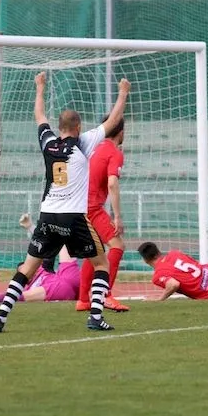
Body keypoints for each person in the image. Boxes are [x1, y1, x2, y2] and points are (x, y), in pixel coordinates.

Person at [0, 71, 131, 333]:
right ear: (77, 127)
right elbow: (112, 122)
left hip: (47, 216)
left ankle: (0, 317)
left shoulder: (48, 142)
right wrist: (123, 93)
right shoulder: (84, 143)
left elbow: (39, 116)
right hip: (73, 217)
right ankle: (95, 316)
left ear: (60, 126)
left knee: (28, 268)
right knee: (102, 263)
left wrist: (40, 88)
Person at [0, 214, 81, 304]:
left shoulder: (42, 270)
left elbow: (44, 243)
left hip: (67, 278)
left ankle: (66, 215)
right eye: (20, 271)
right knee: (15, 296)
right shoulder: (26, 288)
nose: (22, 269)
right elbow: (8, 296)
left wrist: (30, 226)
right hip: (58, 289)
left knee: (62, 242)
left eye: (23, 267)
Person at [75, 114, 129, 313]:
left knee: (94, 251)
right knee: (118, 245)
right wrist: (117, 216)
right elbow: (112, 183)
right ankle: (106, 295)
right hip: (92, 208)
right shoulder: (114, 152)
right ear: (121, 132)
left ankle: (82, 300)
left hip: (78, 205)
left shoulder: (93, 148)